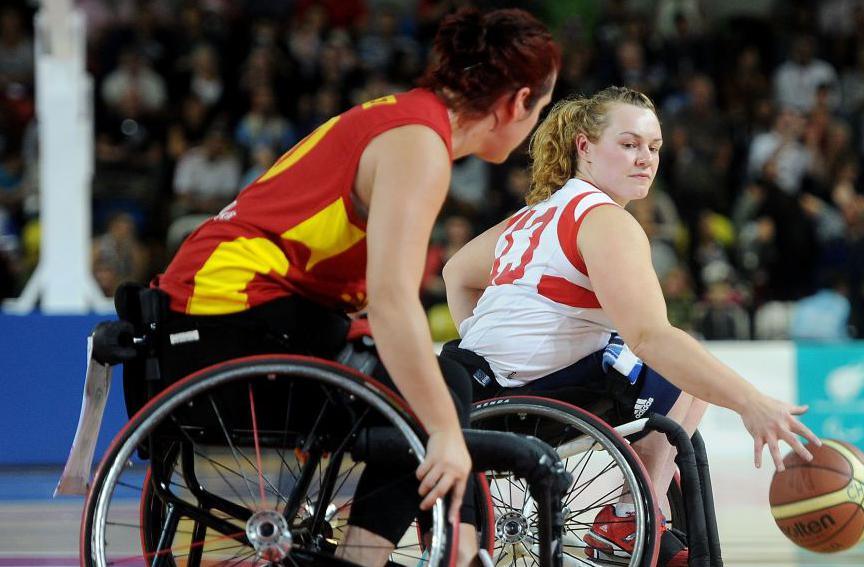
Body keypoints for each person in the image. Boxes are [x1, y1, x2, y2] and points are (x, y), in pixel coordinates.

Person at [152, 9, 559, 566]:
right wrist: (442, 432)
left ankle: (435, 549)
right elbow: (392, 302)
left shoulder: (401, 120)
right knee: (430, 397)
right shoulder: (418, 145)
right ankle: (430, 553)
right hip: (228, 318)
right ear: (518, 102)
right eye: (539, 110)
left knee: (437, 383)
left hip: (222, 314)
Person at [442, 87, 820, 563]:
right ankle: (634, 515)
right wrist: (752, 403)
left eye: (654, 147)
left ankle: (637, 513)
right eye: (629, 145)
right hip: (530, 400)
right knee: (680, 363)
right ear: (584, 147)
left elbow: (455, 272)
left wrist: (487, 345)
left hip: (475, 386)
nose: (645, 159)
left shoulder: (536, 213)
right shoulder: (603, 221)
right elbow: (652, 337)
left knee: (652, 354)